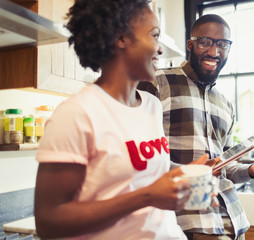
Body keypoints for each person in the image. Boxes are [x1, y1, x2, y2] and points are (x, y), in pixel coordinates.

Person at [33, 1, 213, 239]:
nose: (160, 49)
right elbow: (49, 222)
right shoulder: (77, 113)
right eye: (154, 35)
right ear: (121, 38)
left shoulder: (152, 106)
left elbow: (144, 180)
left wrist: (180, 184)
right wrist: (148, 196)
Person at [138, 14, 254, 240]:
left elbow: (226, 168)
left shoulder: (225, 104)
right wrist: (191, 172)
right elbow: (138, 156)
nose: (214, 52)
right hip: (188, 221)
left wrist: (252, 170)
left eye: (222, 44)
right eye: (205, 42)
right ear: (190, 45)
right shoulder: (157, 83)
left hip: (235, 221)